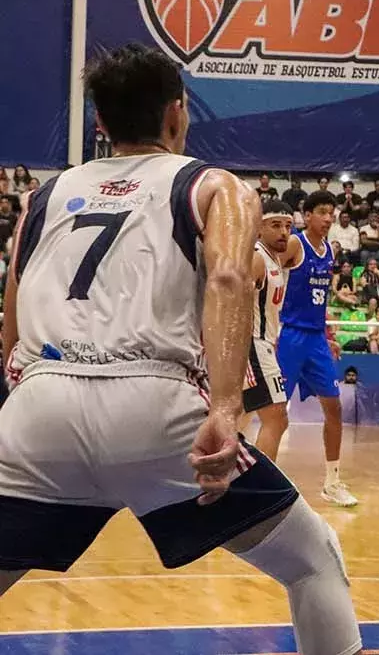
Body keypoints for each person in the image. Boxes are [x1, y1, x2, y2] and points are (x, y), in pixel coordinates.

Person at [0, 45, 360, 655]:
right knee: (312, 561)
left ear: (101, 124)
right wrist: (224, 405)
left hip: (39, 404)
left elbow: (9, 330)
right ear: (178, 112)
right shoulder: (214, 185)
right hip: (154, 405)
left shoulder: (42, 196)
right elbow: (227, 278)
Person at [277, 190, 358, 507]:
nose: (328, 218)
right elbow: (270, 272)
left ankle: (332, 481)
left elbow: (321, 301)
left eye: (331, 213)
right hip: (289, 334)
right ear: (307, 214)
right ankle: (252, 478)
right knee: (274, 412)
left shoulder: (328, 252)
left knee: (334, 408)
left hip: (315, 338)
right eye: (322, 212)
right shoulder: (295, 243)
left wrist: (328, 334)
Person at [241, 200, 303, 462]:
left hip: (263, 343)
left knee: (238, 421)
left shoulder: (275, 259)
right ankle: (264, 487)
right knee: (277, 417)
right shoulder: (256, 257)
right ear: (258, 227)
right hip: (252, 343)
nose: (283, 232)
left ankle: (224, 480)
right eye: (275, 225)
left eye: (288, 226)